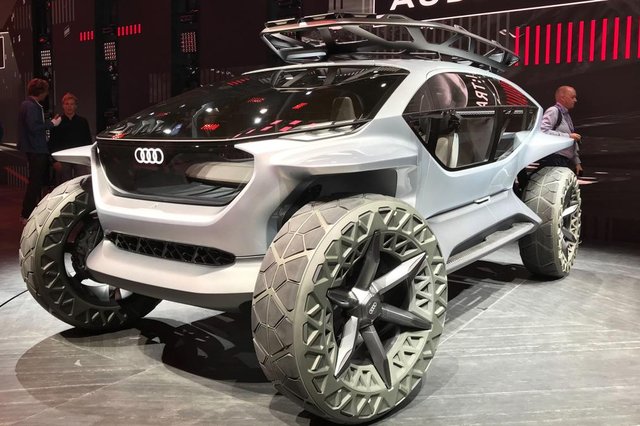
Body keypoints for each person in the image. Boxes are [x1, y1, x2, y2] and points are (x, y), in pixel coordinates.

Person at [18, 78, 61, 225]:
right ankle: (26, 214)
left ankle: (28, 212)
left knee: (35, 182)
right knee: (35, 183)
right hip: (36, 148)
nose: (46, 94)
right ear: (41, 91)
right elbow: (34, 127)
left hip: (33, 148)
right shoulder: (31, 106)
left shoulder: (27, 104)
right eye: (46, 91)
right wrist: (52, 124)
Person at [49, 92, 92, 184]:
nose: (69, 107)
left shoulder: (82, 121)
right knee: (63, 184)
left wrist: (88, 159)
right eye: (67, 104)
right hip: (62, 158)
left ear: (76, 106)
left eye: (72, 104)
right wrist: (54, 161)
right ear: (63, 106)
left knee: (82, 182)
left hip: (79, 157)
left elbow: (87, 141)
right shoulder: (57, 122)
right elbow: (52, 142)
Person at [540, 85, 583, 175]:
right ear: (563, 98)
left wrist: (577, 162)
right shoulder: (553, 111)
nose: (575, 100)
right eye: (572, 97)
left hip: (561, 160)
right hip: (554, 159)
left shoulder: (566, 115)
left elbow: (571, 141)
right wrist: (568, 136)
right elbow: (543, 132)